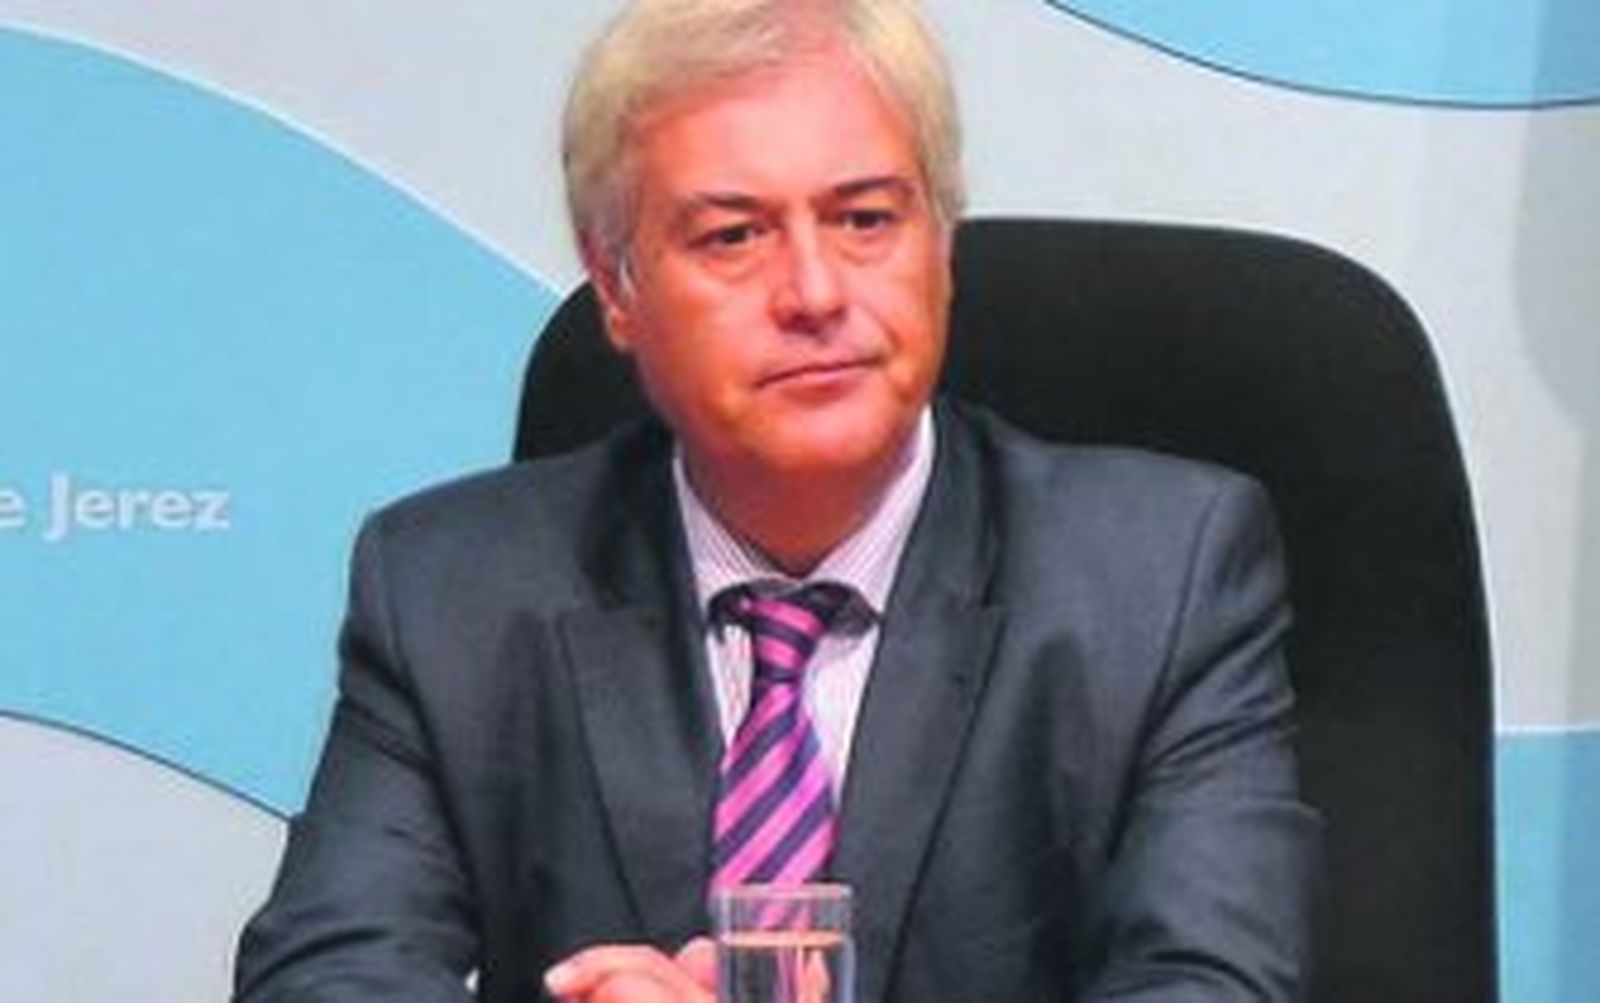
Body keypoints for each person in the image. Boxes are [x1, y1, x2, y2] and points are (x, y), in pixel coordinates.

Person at [233, 1, 1319, 1000]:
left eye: (866, 219)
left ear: (941, 244)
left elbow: (1213, 987)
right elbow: (322, 979)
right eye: (733, 235)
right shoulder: (449, 593)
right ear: (615, 284)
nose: (814, 292)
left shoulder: (1161, 580)